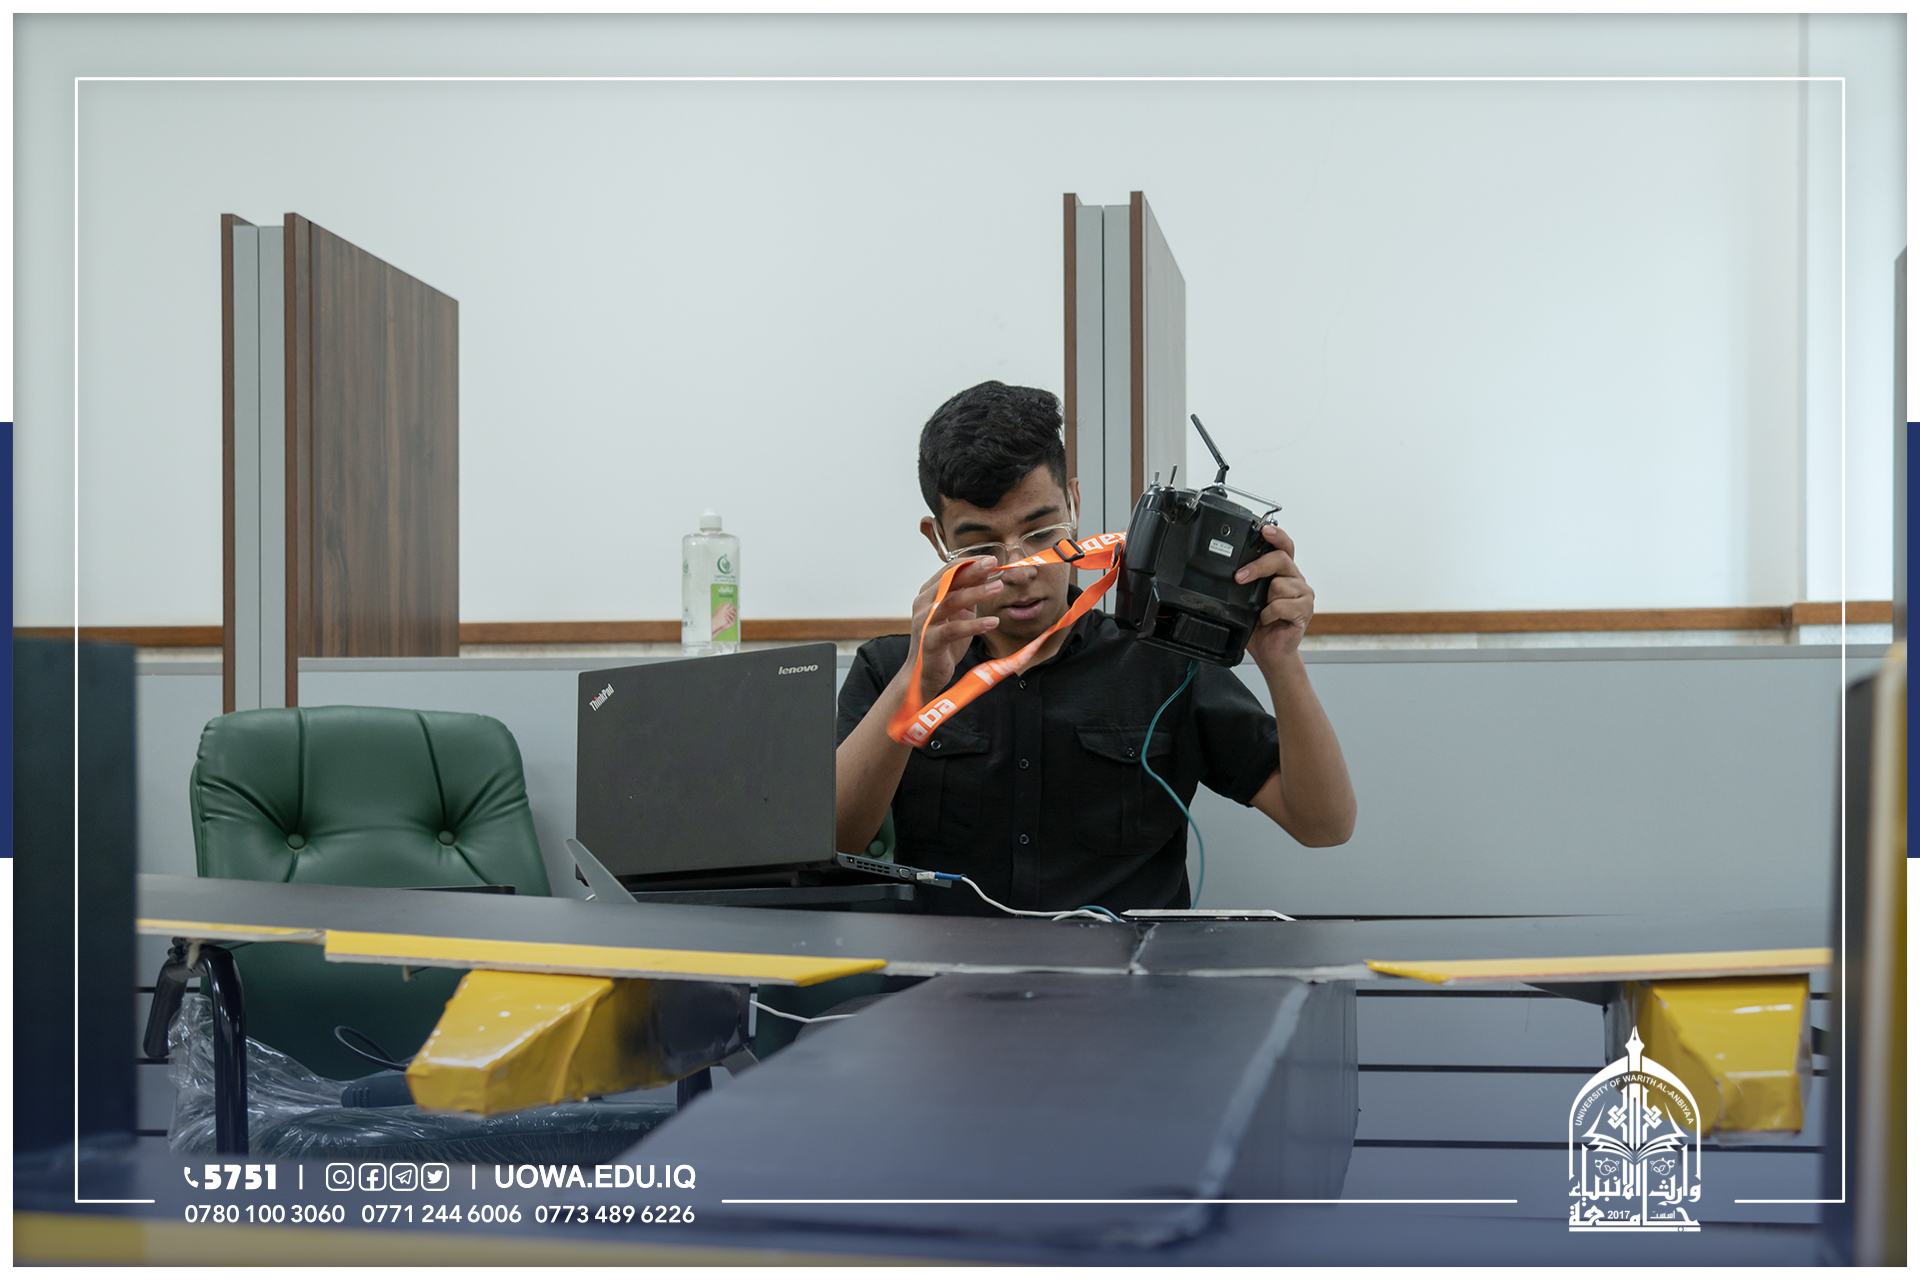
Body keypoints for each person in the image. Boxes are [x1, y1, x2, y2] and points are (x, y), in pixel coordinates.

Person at [835, 380, 1355, 916]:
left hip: (1128, 968)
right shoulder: (889, 671)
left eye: (1041, 533)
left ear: (1074, 504)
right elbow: (832, 843)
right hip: (941, 966)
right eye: (981, 547)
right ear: (938, 540)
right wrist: (914, 686)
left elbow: (1324, 825)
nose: (1020, 570)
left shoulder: (1160, 657)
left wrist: (1280, 660)